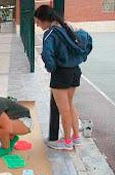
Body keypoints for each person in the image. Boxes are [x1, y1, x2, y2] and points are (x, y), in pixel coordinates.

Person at [34, 5, 84, 150]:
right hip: (75, 70)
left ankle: (67, 142)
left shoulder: (50, 34)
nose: (37, 25)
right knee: (70, 105)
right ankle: (76, 137)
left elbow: (47, 55)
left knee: (64, 110)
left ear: (44, 20)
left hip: (61, 73)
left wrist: (52, 69)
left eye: (37, 22)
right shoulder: (67, 27)